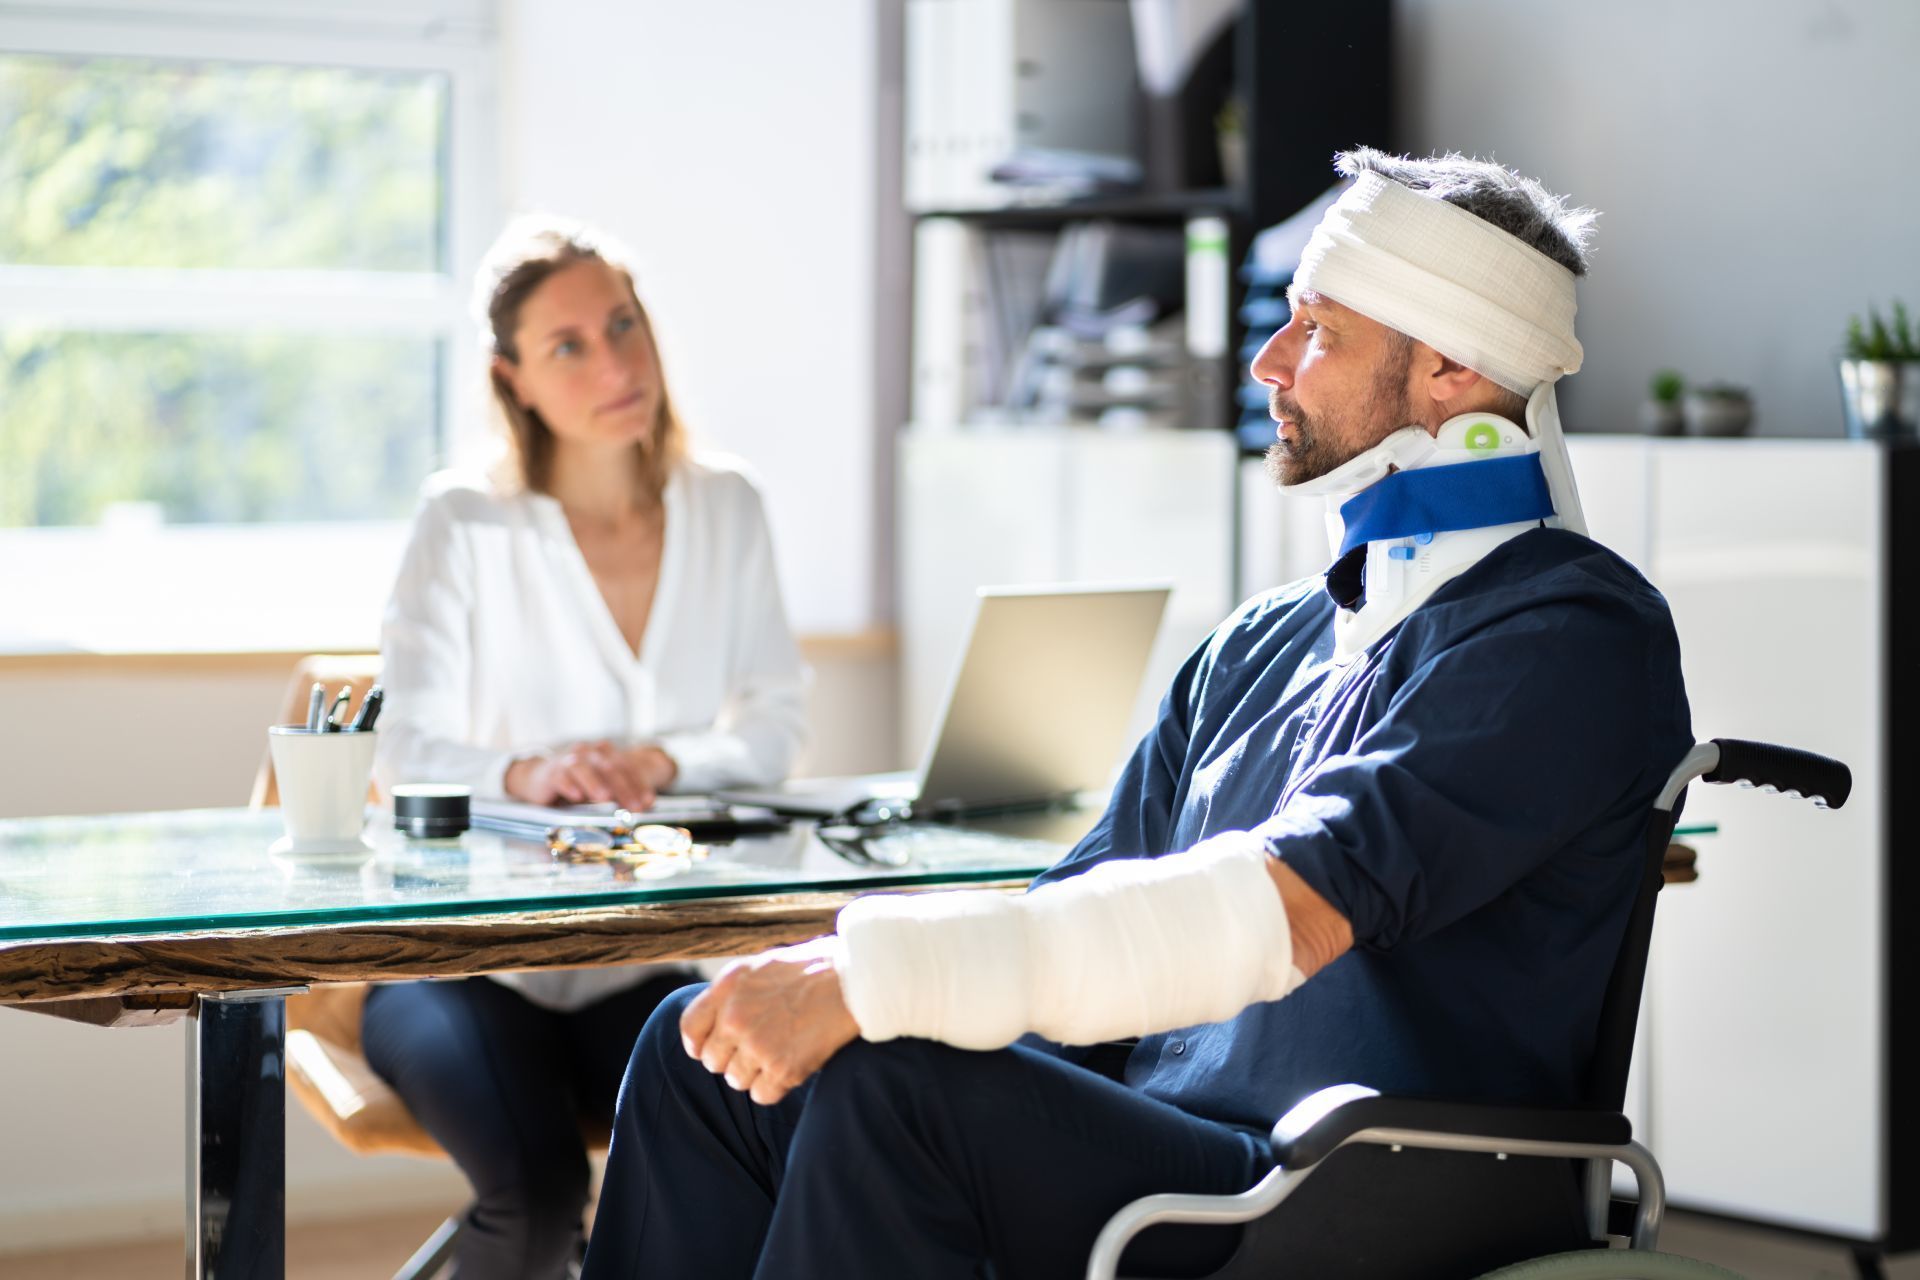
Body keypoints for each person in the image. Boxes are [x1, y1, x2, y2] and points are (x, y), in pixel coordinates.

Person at [580, 150, 1694, 1280]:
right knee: (701, 1049)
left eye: (1318, 329)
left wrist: (873, 980)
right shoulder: (1258, 647)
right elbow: (1075, 915)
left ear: (1455, 366)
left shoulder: (1570, 635)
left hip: (1362, 1184)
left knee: (897, 1089)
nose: (1266, 362)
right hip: (1171, 1150)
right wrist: (836, 990)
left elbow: (1289, 910)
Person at [364, 214, 808, 1280]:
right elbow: (404, 751)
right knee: (538, 1193)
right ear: (510, 376)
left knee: (779, 1134)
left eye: (625, 323)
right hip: (466, 968)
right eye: (570, 343)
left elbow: (775, 730)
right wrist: (528, 772)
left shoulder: (728, 505)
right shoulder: (465, 520)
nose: (617, 361)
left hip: (647, 955)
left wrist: (657, 764)